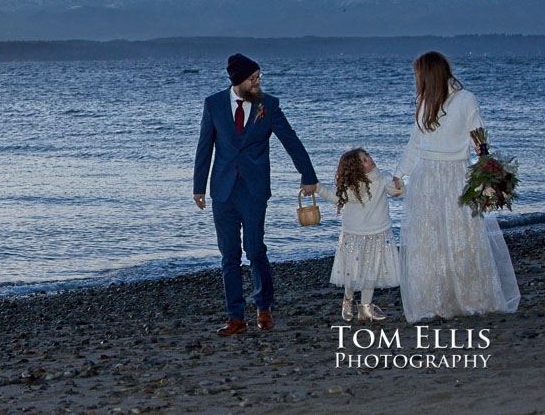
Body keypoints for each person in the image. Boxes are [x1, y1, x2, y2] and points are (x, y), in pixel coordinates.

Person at [193, 53, 318, 336]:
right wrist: (198, 186)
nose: (258, 82)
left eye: (259, 77)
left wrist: (307, 174)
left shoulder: (268, 105)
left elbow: (290, 139)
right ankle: (235, 317)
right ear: (238, 80)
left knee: (255, 249)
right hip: (223, 189)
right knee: (229, 255)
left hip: (253, 190)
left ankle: (264, 307)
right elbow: (205, 145)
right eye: (253, 78)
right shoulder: (213, 104)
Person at [394, 51, 520, 323]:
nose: (416, 79)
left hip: (455, 176)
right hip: (425, 177)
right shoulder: (423, 101)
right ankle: (434, 300)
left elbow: (479, 137)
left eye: (418, 74)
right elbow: (415, 144)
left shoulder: (465, 99)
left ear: (429, 74)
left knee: (462, 236)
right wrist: (399, 174)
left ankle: (470, 297)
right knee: (428, 240)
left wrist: (486, 169)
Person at [314, 148, 403, 323]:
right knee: (352, 272)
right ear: (356, 168)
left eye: (367, 156)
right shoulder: (351, 186)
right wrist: (317, 187)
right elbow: (335, 197)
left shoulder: (383, 177)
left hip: (378, 232)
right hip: (354, 234)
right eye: (363, 160)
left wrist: (399, 184)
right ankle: (348, 300)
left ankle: (366, 307)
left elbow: (397, 192)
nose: (369, 159)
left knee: (371, 271)